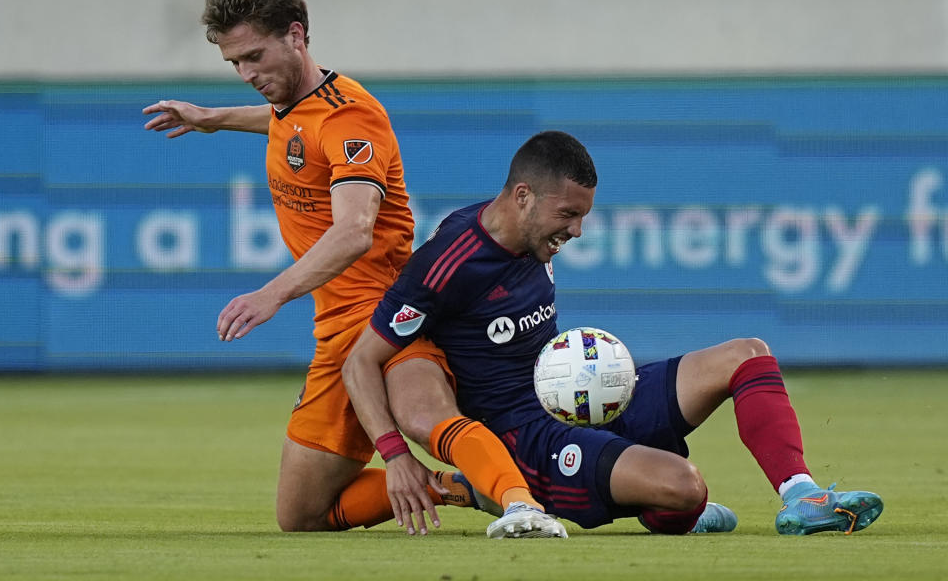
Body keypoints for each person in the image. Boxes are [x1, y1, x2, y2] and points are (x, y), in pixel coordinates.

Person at [142, 0, 565, 538]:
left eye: (254, 57)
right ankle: (457, 487)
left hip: (384, 313)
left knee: (427, 418)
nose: (244, 73)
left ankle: (524, 504)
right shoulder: (299, 108)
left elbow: (354, 230)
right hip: (331, 328)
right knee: (301, 516)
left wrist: (271, 294)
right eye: (233, 62)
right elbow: (290, 127)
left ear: (296, 35)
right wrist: (213, 118)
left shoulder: (352, 119)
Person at [342, 130, 884, 536]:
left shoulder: (529, 237)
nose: (577, 231)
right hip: (532, 440)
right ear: (523, 196)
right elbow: (361, 361)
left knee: (747, 355)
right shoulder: (449, 262)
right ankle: (649, 505)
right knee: (685, 487)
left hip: (589, 400)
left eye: (583, 217)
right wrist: (394, 452)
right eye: (568, 215)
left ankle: (802, 496)